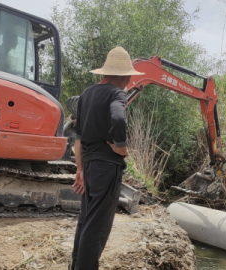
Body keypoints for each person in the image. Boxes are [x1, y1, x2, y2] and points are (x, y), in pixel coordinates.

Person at [69, 46, 144, 270]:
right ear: (125, 76)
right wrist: (122, 148)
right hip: (107, 168)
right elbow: (119, 119)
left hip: (89, 167)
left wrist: (80, 169)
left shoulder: (86, 95)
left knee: (85, 221)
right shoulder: (116, 93)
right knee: (98, 227)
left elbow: (79, 137)